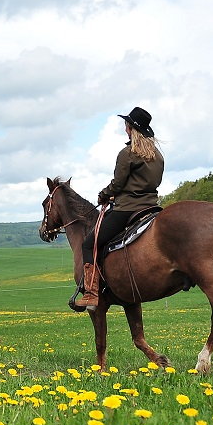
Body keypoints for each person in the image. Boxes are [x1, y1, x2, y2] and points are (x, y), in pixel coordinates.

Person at [73, 107, 164, 309]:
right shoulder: (158, 156)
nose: (125, 129)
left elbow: (118, 183)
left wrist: (104, 194)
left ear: (130, 128)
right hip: (151, 208)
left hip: (127, 209)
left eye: (126, 125)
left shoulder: (127, 153)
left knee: (89, 243)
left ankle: (91, 293)